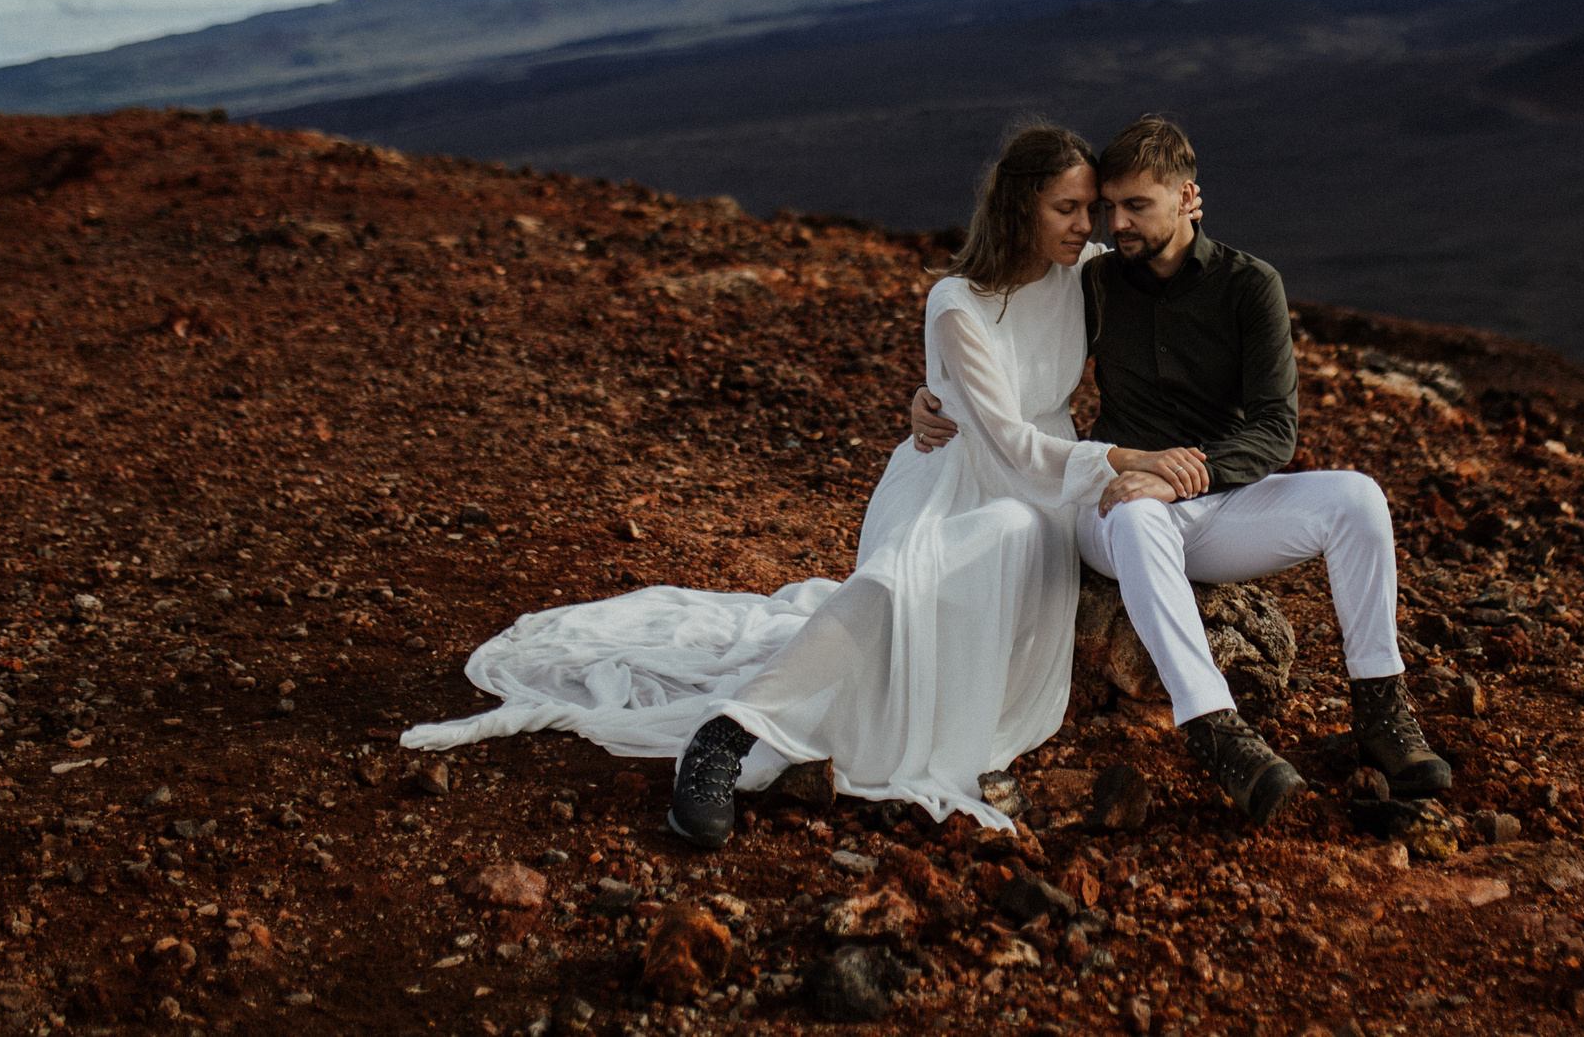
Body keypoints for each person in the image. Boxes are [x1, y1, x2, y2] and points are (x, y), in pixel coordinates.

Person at [399, 123, 1206, 849]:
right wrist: (1121, 457)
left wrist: (1184, 216)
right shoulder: (955, 302)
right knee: (903, 577)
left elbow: (1172, 266)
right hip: (956, 483)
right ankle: (726, 734)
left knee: (1012, 533)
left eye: (1091, 209)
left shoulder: (1086, 272)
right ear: (1021, 207)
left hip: (1038, 488)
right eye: (1069, 208)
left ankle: (783, 710)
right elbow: (1005, 439)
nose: (1089, 225)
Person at [910, 114, 1450, 823]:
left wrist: (1182, 474)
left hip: (1218, 501)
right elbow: (1007, 326)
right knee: (1137, 514)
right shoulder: (1098, 278)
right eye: (1111, 207)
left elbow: (1277, 429)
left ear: (1187, 197)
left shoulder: (1250, 285)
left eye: (1137, 205)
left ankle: (1381, 710)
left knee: (1359, 498)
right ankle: (1215, 728)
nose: (1117, 224)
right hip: (1114, 507)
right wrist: (935, 393)